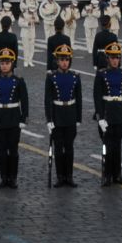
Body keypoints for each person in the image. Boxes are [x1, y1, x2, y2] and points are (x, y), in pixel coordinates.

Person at [0, 48, 29, 189]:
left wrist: (23, 119)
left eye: (7, 62)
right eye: (2, 62)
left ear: (12, 64)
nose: (4, 65)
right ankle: (4, 177)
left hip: (13, 118)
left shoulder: (19, 81)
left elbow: (25, 100)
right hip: (0, 118)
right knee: (2, 151)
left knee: (14, 151)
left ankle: (13, 178)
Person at [44, 43, 83, 187]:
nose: (64, 62)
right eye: (62, 59)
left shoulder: (75, 77)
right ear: (57, 61)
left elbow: (78, 99)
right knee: (59, 149)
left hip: (70, 115)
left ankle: (69, 176)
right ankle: (60, 176)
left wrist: (78, 118)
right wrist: (49, 119)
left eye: (67, 59)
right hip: (57, 116)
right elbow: (48, 100)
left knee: (70, 148)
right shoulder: (51, 77)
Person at [93, 41, 122, 185]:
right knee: (106, 146)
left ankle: (117, 175)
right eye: (112, 57)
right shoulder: (101, 74)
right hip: (107, 113)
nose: (115, 60)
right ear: (107, 58)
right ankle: (106, 175)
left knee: (117, 146)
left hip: (120, 113)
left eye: (117, 57)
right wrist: (100, 116)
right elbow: (97, 97)